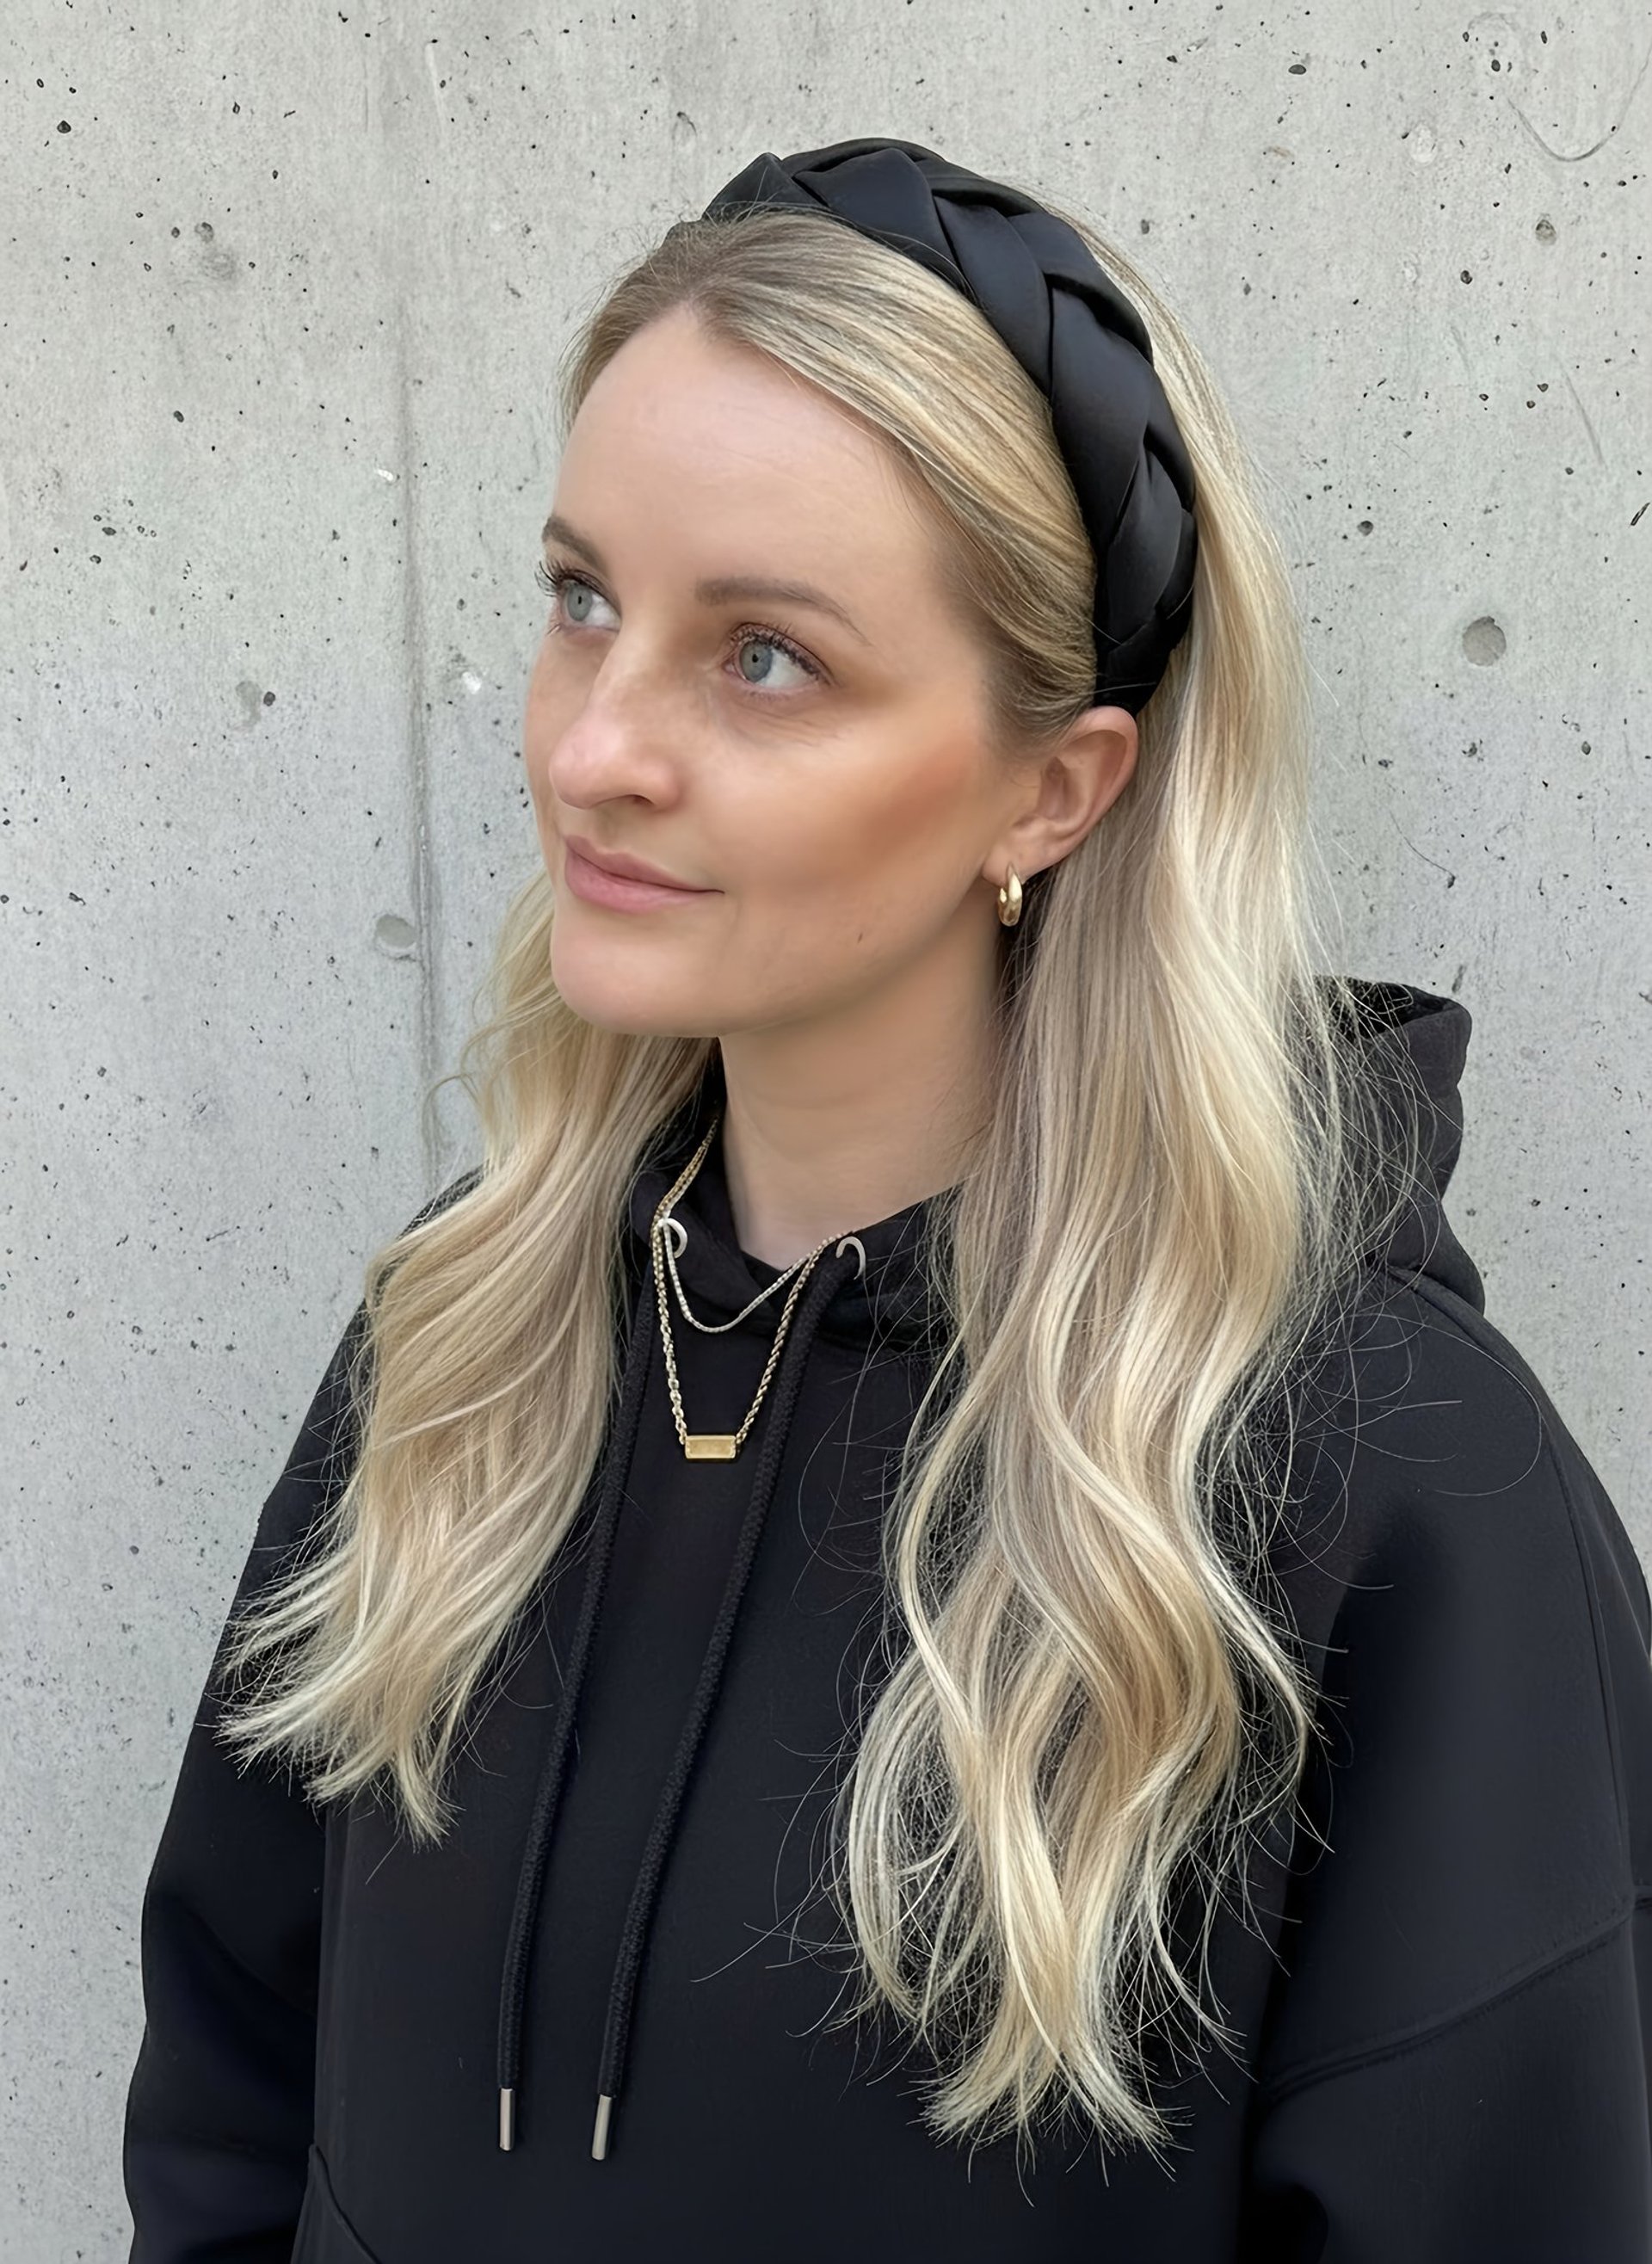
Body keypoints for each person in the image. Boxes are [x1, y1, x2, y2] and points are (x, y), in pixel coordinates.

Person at [121, 139, 1652, 2262]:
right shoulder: (465, 1336)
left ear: (1055, 787)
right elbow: (230, 2093)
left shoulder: (1380, 1485)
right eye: (583, 598)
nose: (591, 747)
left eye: (764, 656)